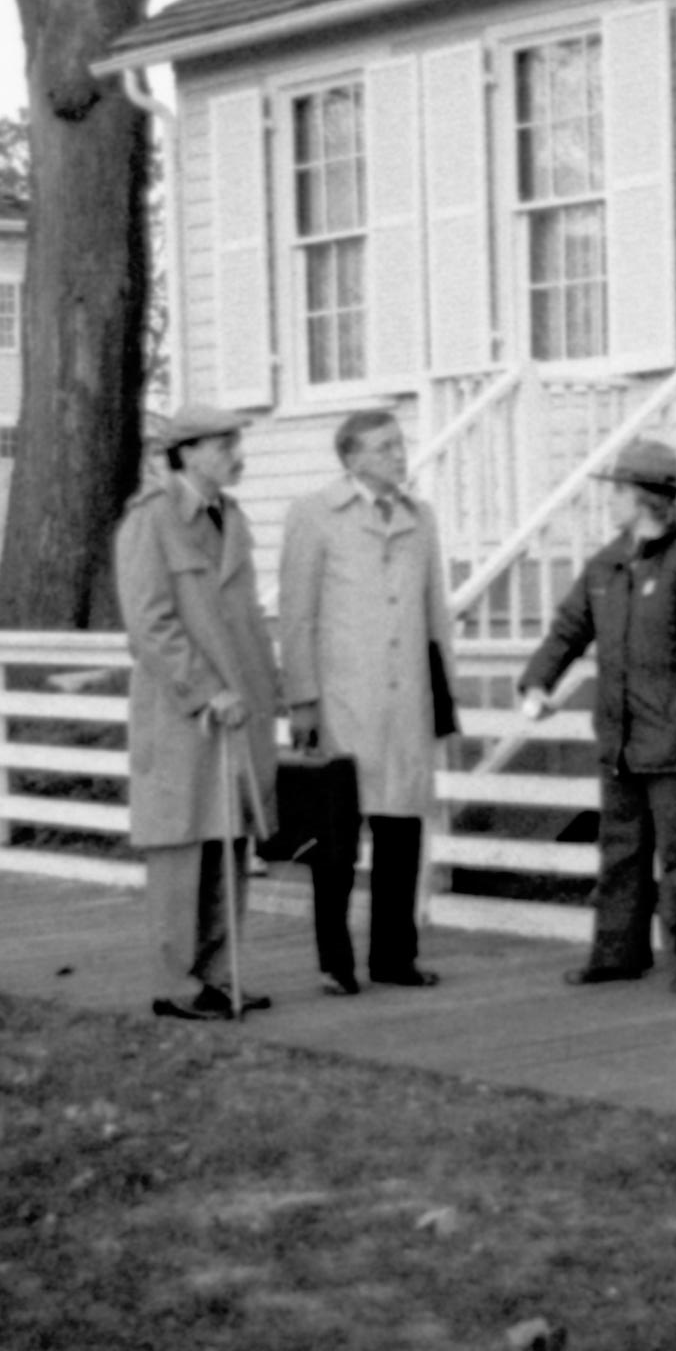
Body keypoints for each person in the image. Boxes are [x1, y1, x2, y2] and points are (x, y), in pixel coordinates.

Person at [516, 439, 676, 994]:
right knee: (620, 848)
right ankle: (617, 952)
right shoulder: (605, 565)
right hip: (618, 737)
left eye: (616, 490)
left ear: (640, 497)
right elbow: (569, 629)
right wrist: (539, 680)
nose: (609, 501)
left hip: (673, 740)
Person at [279, 406, 456, 995]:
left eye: (400, 444)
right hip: (343, 702)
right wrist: (302, 699)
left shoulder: (419, 518)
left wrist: (442, 697)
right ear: (352, 457)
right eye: (384, 447)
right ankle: (336, 962)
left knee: (402, 827)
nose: (399, 456)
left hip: (406, 701)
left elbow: (435, 617)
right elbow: (298, 616)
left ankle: (394, 957)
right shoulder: (315, 516)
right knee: (336, 834)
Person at [117, 405, 281, 1022]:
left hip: (237, 715)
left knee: (228, 846)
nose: (236, 455)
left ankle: (219, 975)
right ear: (185, 453)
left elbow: (243, 622)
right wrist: (206, 688)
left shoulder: (229, 516)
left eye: (236, 442)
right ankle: (174, 985)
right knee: (182, 849)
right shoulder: (152, 519)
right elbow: (149, 624)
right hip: (182, 713)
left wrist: (270, 691)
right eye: (223, 444)